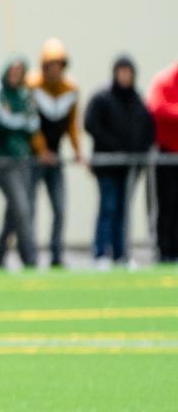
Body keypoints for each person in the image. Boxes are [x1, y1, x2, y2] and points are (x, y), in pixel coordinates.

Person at [85, 54, 156, 267]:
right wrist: (115, 146)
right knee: (108, 207)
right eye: (121, 72)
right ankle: (101, 253)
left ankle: (120, 254)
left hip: (129, 168)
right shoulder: (102, 98)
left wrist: (139, 153)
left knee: (124, 211)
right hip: (107, 166)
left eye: (128, 72)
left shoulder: (137, 101)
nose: (125, 76)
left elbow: (148, 131)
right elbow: (90, 124)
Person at [29, 38, 81, 269]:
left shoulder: (70, 89)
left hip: (56, 156)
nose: (54, 69)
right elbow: (32, 124)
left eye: (58, 64)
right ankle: (29, 255)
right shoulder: (33, 86)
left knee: (60, 207)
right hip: (35, 157)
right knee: (29, 207)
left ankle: (56, 254)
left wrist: (77, 151)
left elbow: (71, 124)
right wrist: (41, 151)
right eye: (50, 65)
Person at [0, 56, 39, 270]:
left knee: (14, 212)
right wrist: (21, 120)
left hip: (22, 159)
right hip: (3, 161)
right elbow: (4, 120)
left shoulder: (25, 94)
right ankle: (30, 258)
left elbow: (33, 123)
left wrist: (19, 120)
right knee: (22, 209)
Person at [149, 58, 178, 262]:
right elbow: (157, 108)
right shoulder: (164, 81)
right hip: (167, 155)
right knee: (166, 203)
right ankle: (164, 250)